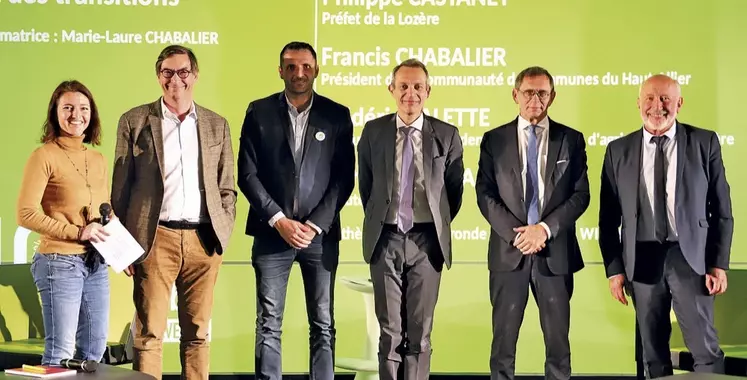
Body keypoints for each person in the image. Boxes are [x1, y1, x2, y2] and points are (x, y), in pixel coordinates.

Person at [111, 44, 237, 380]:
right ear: (158, 76)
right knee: (150, 334)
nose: (175, 79)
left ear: (195, 75)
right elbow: (120, 189)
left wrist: (223, 232)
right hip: (154, 240)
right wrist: (121, 248)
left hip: (203, 241)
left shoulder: (216, 124)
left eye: (183, 72)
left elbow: (227, 187)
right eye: (168, 72)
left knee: (197, 334)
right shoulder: (134, 121)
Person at [599, 74, 732, 378]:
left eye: (665, 99)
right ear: (638, 103)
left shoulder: (703, 142)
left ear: (679, 103)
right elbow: (608, 220)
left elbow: (722, 209)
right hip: (641, 259)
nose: (656, 106)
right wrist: (615, 270)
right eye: (649, 98)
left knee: (705, 350)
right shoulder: (617, 150)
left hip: (691, 260)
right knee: (652, 355)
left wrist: (718, 264)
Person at [237, 41, 355, 380]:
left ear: (316, 70)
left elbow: (344, 177)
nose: (298, 73)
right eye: (290, 66)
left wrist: (315, 225)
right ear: (280, 71)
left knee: (323, 323)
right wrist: (278, 219)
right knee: (269, 323)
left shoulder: (336, 115)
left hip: (320, 239)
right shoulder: (258, 112)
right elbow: (247, 174)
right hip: (271, 234)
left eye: (305, 66)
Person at [475, 66, 590, 380]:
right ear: (515, 95)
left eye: (543, 93)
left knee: (558, 345)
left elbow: (581, 195)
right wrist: (519, 236)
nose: (535, 99)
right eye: (529, 92)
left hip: (555, 254)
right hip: (508, 254)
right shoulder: (494, 140)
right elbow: (484, 194)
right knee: (502, 346)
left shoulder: (572, 139)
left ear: (552, 96)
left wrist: (544, 229)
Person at [357, 58, 464, 380]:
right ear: (392, 89)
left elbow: (452, 195)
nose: (410, 93)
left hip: (426, 242)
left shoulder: (446, 135)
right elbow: (368, 188)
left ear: (428, 91)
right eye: (403, 86)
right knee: (389, 333)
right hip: (385, 239)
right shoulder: (373, 132)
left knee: (420, 334)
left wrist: (429, 224)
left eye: (418, 87)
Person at [17, 80, 112, 366]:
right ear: (55, 113)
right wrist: (78, 232)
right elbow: (25, 213)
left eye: (83, 108)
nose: (76, 115)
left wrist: (123, 253)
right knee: (60, 353)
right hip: (59, 262)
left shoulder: (98, 159)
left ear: (92, 114)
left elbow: (106, 213)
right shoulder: (43, 155)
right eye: (67, 107)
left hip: (96, 263)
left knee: (94, 353)